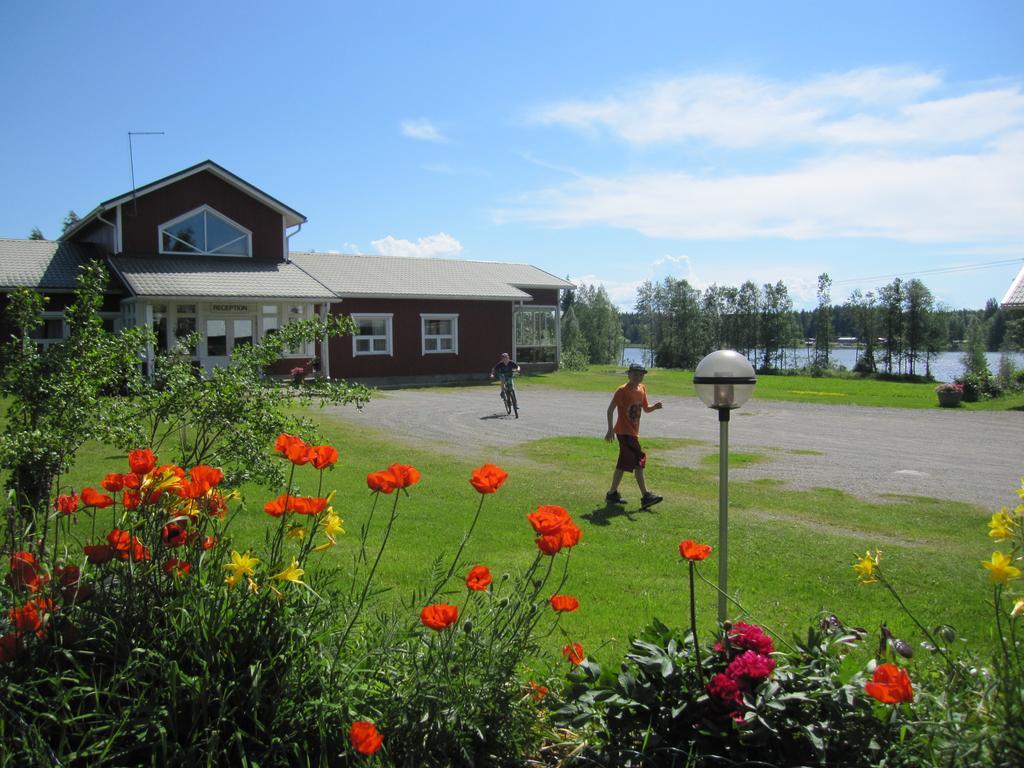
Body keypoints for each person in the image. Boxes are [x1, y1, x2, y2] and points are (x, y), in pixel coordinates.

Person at [605, 362, 663, 509]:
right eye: (635, 374)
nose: (638, 377)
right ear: (629, 374)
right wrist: (610, 429)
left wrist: (654, 407)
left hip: (633, 433)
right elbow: (610, 409)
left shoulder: (642, 389)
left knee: (624, 464)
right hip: (624, 432)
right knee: (638, 461)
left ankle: (612, 494)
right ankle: (646, 496)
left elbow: (646, 409)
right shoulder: (622, 391)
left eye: (641, 374)